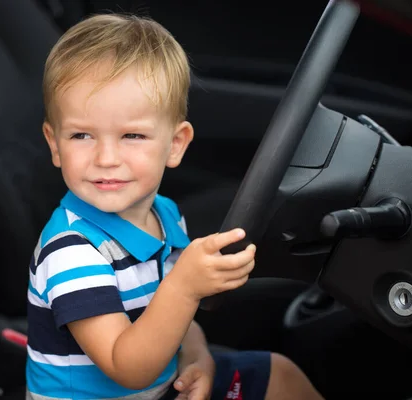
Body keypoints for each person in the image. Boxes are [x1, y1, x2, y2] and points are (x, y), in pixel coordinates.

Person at [26, 12, 324, 400]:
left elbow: (173, 323)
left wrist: (197, 357)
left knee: (279, 377)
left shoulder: (164, 215)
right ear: (54, 143)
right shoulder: (70, 252)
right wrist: (183, 286)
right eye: (82, 135)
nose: (106, 157)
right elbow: (127, 367)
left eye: (132, 135)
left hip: (164, 386)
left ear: (176, 144)